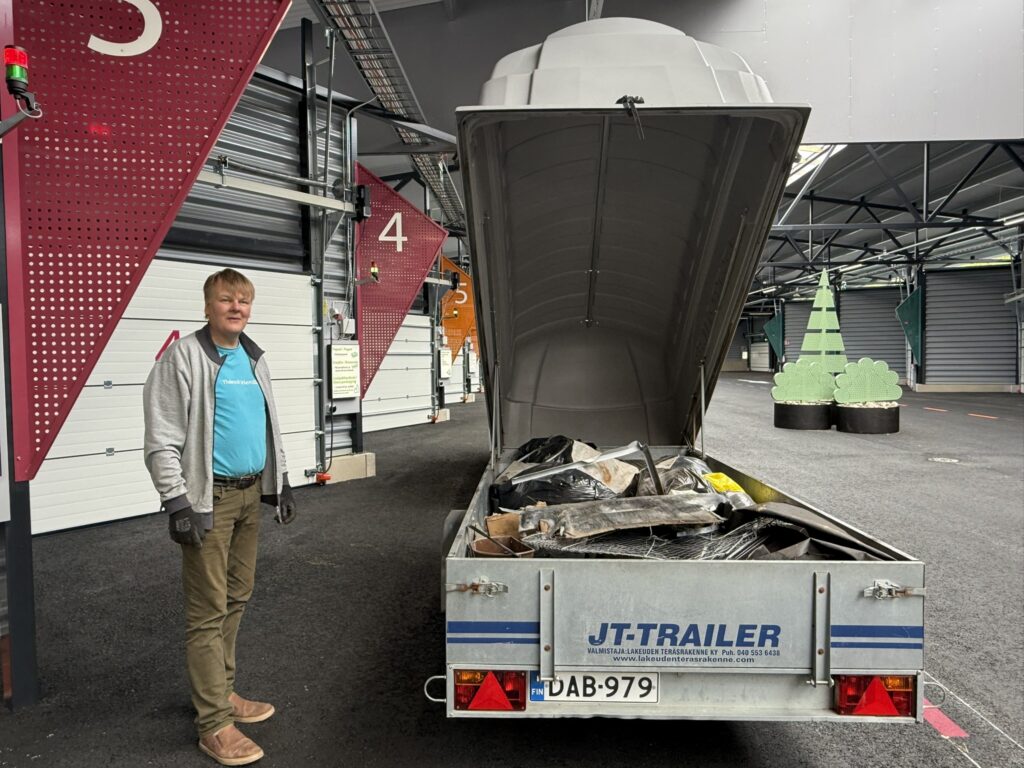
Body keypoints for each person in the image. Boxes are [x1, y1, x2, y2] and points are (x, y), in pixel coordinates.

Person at [143, 268, 297, 766]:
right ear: (207, 306)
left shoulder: (254, 357)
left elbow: (268, 424)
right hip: (210, 501)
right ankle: (213, 724)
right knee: (207, 610)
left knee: (237, 596)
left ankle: (222, 692)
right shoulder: (183, 357)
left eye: (244, 301)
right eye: (226, 299)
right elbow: (161, 438)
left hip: (250, 495)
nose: (236, 308)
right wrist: (177, 502)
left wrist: (281, 480)